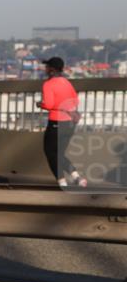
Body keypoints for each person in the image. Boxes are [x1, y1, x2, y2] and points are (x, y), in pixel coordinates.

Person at [37, 56, 86, 188]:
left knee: (50, 152)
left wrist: (40, 104)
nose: (45, 69)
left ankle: (62, 181)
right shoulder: (66, 82)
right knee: (59, 153)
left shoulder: (48, 84)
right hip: (70, 123)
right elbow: (75, 101)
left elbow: (49, 104)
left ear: (52, 70)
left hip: (56, 122)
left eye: (47, 67)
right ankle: (77, 178)